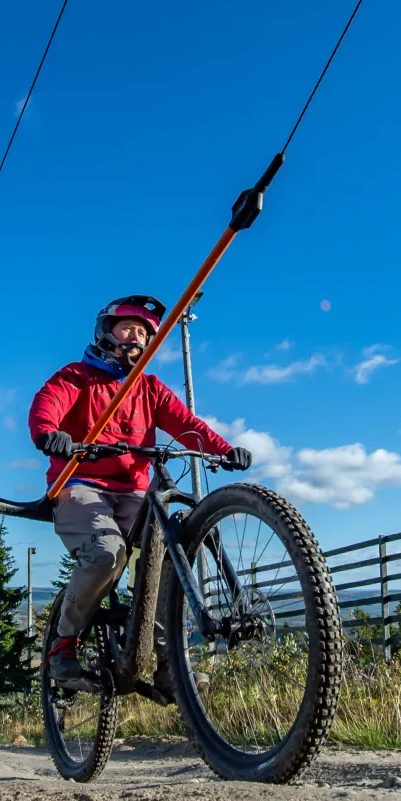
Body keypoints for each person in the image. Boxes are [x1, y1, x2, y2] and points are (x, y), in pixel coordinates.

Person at [29, 295, 252, 688]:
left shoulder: (150, 388)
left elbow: (186, 424)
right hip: (80, 484)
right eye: (129, 329)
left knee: (168, 556)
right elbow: (47, 404)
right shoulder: (77, 376)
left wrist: (223, 450)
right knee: (105, 552)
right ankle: (62, 646)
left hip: (134, 491)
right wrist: (50, 434)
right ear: (105, 333)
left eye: (145, 334)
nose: (137, 338)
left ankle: (169, 665)